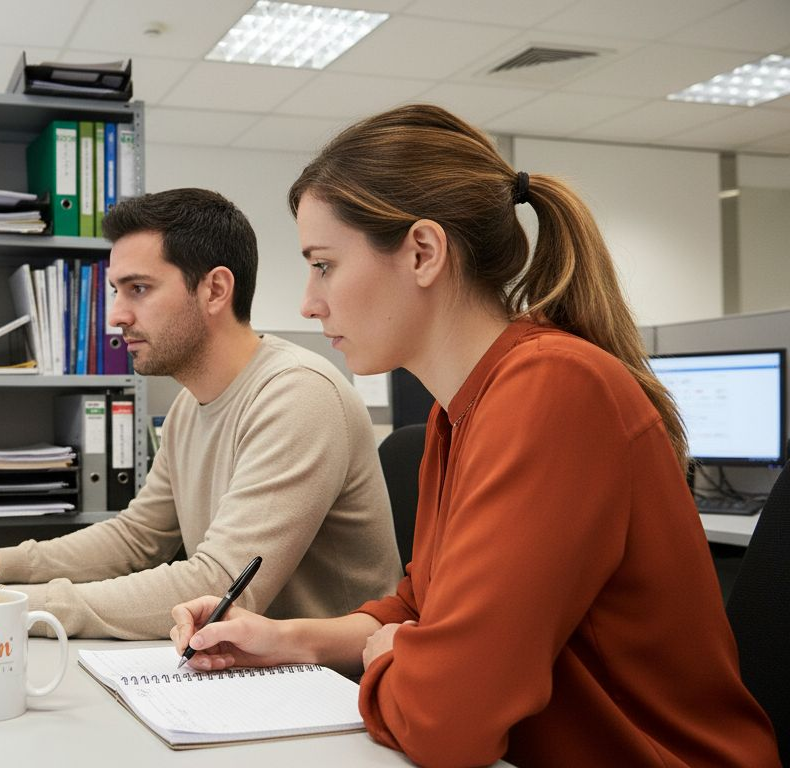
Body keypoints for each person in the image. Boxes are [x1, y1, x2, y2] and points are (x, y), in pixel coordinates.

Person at [170, 106, 780, 767]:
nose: (309, 304)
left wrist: (394, 657)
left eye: (324, 265)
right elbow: (417, 607)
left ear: (423, 253)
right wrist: (284, 640)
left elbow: (445, 722)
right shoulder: (458, 410)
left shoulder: (553, 390)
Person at [0, 187, 401, 639]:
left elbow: (217, 584)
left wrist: (2, 607)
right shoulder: (193, 403)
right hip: (240, 673)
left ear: (215, 289)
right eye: (117, 291)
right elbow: (136, 538)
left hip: (323, 696)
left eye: (139, 289)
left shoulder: (296, 395)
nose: (116, 315)